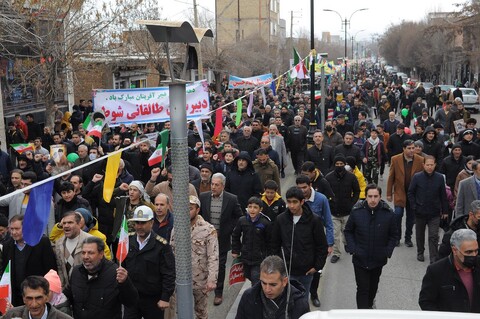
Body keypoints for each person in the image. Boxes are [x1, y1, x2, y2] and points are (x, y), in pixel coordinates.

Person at [344, 184, 398, 309]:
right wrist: (353, 249)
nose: (373, 200)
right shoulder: (357, 212)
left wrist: (387, 251)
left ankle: (369, 307)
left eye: (375, 196)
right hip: (360, 259)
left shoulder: (388, 214)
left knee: (373, 288)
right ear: (365, 197)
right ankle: (362, 313)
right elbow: (348, 231)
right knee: (362, 288)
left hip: (378, 260)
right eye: (370, 196)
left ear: (380, 197)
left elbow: (394, 235)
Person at [271, 187, 328, 297]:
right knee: (286, 300)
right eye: (289, 202)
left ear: (302, 202)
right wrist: (278, 266)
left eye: (295, 202)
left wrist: (316, 266)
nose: (292, 206)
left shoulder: (314, 220)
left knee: (302, 300)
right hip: (287, 271)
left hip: (306, 272)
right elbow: (274, 245)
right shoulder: (281, 219)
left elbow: (321, 246)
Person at [64, 237, 139, 319]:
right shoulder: (76, 272)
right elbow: (67, 297)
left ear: (101, 254)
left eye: (90, 253)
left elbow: (131, 302)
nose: (86, 257)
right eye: (83, 252)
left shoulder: (115, 273)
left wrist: (125, 283)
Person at [123, 205, 176, 319]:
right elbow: (121, 267)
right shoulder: (127, 241)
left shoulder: (162, 246)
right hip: (132, 297)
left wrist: (165, 297)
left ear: (151, 223)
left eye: (143, 223)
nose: (139, 226)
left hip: (153, 300)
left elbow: (169, 273)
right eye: (137, 223)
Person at [170, 196, 218, 319]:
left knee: (201, 311)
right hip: (180, 277)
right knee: (180, 310)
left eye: (190, 208)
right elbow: (171, 250)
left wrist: (212, 279)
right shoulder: (177, 228)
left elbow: (213, 255)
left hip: (200, 278)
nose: (187, 211)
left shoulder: (208, 229)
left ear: (197, 210)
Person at [199, 173, 242, 306]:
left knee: (220, 266)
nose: (213, 187)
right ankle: (203, 290)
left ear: (222, 186)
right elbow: (198, 215)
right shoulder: (203, 197)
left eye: (217, 185)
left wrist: (227, 230)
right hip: (205, 239)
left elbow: (239, 217)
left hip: (222, 239)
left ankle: (218, 292)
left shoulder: (231, 199)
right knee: (204, 265)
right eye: (212, 184)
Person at [419, 229, 480, 312]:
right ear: (455, 250)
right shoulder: (436, 271)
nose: (474, 255)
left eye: (476, 251)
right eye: (469, 252)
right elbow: (426, 302)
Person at [1, 215, 57, 306]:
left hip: (37, 295)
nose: (14, 232)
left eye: (17, 229)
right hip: (16, 297)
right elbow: (5, 271)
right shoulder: (7, 245)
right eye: (11, 229)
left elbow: (51, 270)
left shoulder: (41, 242)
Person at [296, 175, 334, 307]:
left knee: (316, 270)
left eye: (304, 187)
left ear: (310, 185)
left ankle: (314, 294)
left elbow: (328, 222)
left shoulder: (321, 199)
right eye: (299, 188)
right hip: (300, 242)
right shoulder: (295, 199)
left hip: (317, 241)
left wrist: (329, 244)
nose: (302, 191)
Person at [235, 255, 309, 319]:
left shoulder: (300, 305)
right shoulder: (248, 297)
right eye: (263, 283)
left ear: (284, 281)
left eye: (273, 285)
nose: (267, 290)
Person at [408, 156, 449, 263]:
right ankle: (420, 252)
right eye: (427, 165)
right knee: (420, 234)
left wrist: (445, 211)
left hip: (434, 212)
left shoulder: (440, 178)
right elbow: (411, 193)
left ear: (435, 165)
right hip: (420, 211)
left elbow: (443, 195)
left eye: (432, 165)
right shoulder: (417, 177)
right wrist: (414, 206)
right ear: (423, 165)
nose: (430, 167)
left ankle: (433, 257)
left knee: (434, 236)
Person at [387, 139, 424, 247]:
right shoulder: (395, 159)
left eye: (413, 148)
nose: (412, 150)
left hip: (414, 194)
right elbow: (391, 177)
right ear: (404, 149)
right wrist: (389, 193)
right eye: (409, 148)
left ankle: (408, 238)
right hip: (400, 192)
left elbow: (422, 178)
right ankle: (397, 237)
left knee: (411, 217)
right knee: (398, 215)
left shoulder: (420, 160)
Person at [325, 154, 360, 263]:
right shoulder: (328, 178)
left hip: (347, 211)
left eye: (341, 164)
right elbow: (325, 192)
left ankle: (347, 244)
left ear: (345, 165)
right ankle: (336, 253)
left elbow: (357, 191)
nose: (339, 166)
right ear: (334, 165)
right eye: (337, 164)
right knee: (335, 235)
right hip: (333, 211)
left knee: (346, 231)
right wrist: (329, 203)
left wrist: (352, 203)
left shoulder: (351, 177)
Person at [231, 197, 272, 286]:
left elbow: (270, 241)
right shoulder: (242, 220)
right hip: (245, 256)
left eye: (255, 207)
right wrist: (236, 250)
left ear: (260, 209)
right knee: (248, 275)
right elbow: (235, 235)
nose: (252, 210)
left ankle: (255, 297)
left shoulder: (265, 223)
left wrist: (268, 256)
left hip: (259, 258)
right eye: (250, 207)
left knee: (255, 278)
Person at [2, 276, 72, 319]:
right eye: (29, 298)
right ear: (23, 298)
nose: (34, 304)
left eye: (39, 298)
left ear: (47, 297)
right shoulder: (12, 315)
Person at [54, 212, 93, 286]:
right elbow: (60, 268)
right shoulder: (59, 243)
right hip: (67, 290)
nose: (66, 226)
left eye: (70, 222)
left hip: (86, 288)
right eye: (64, 223)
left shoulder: (91, 241)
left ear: (79, 224)